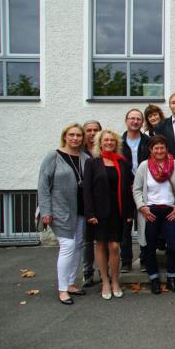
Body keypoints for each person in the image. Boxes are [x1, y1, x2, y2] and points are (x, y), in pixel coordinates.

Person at [38, 123, 89, 305]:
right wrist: (45, 210)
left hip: (81, 209)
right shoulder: (53, 156)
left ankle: (71, 283)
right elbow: (43, 184)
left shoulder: (85, 157)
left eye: (78, 135)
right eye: (71, 135)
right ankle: (62, 289)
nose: (75, 138)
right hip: (60, 209)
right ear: (65, 136)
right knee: (68, 245)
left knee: (78, 245)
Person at [83, 129, 134, 300]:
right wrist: (89, 212)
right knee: (100, 245)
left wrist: (129, 212)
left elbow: (128, 189)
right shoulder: (92, 163)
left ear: (116, 143)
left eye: (112, 140)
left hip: (118, 211)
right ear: (100, 143)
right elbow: (87, 190)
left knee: (114, 246)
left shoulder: (122, 162)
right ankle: (105, 281)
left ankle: (115, 281)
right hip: (99, 212)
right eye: (106, 140)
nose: (109, 142)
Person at [132, 135, 175, 294]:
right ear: (151, 150)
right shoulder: (144, 166)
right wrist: (142, 207)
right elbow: (136, 189)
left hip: (170, 211)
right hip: (150, 212)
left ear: (167, 149)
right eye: (156, 148)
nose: (159, 151)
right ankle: (154, 278)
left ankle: (172, 277)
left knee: (174, 245)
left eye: (162, 147)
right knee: (149, 246)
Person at [121, 109, 150, 272]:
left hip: (144, 188)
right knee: (125, 225)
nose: (135, 121)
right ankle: (126, 260)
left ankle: (145, 258)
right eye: (132, 118)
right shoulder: (119, 142)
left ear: (142, 122)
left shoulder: (148, 141)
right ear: (126, 121)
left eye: (138, 119)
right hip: (124, 189)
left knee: (144, 224)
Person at [80, 120, 101, 287]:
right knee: (87, 240)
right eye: (89, 130)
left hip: (102, 200)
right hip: (84, 201)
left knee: (104, 239)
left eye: (96, 130)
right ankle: (88, 272)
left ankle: (103, 270)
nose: (92, 133)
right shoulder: (79, 152)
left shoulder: (103, 150)